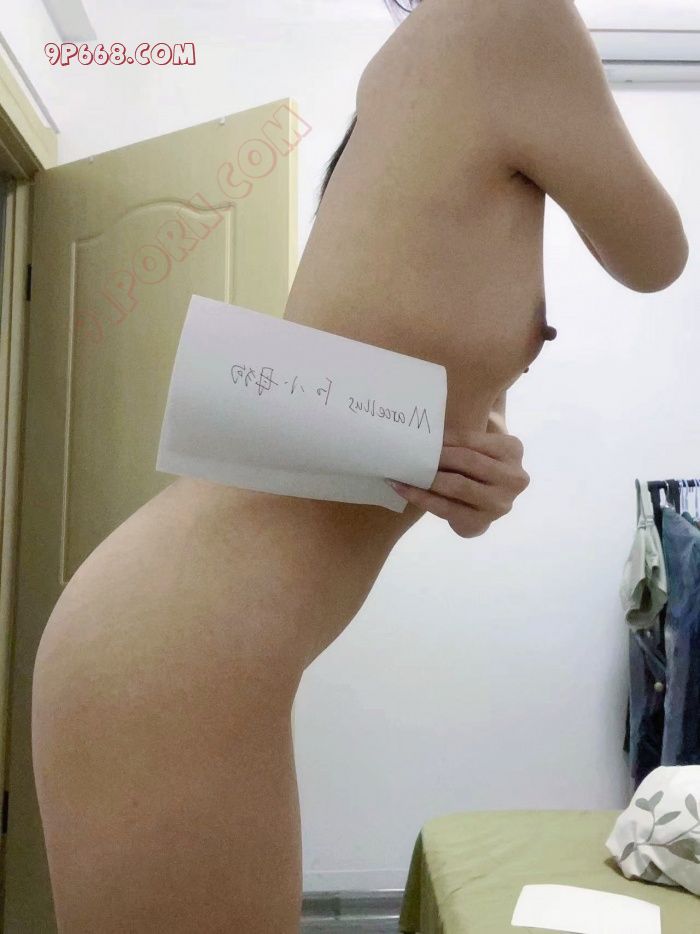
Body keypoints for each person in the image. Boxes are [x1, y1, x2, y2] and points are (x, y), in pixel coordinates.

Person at [31, 0, 688, 931]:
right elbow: (658, 255)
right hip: (169, 652)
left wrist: (480, 471)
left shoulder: (426, 73)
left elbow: (427, 384)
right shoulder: (508, 18)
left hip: (189, 643)